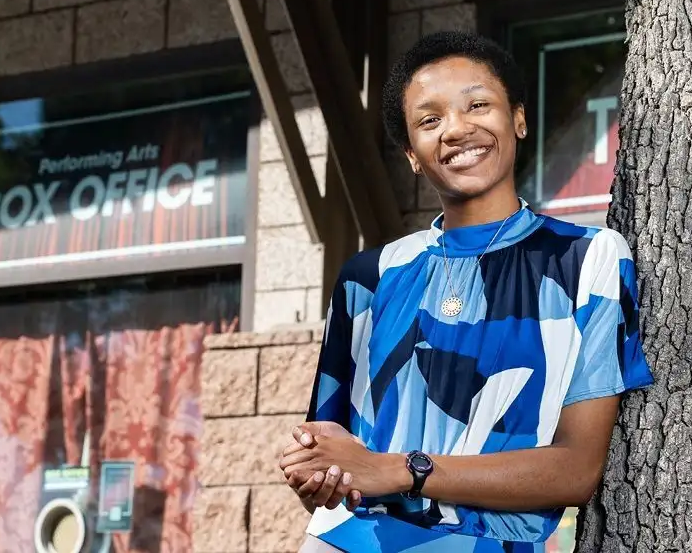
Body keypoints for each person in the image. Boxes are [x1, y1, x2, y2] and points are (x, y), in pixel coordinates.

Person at [278, 31, 654, 552]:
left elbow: (575, 470)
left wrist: (402, 469)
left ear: (518, 118)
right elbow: (335, 460)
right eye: (429, 120)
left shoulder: (589, 258)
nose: (456, 129)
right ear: (412, 153)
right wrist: (317, 474)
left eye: (477, 104)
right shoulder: (369, 276)